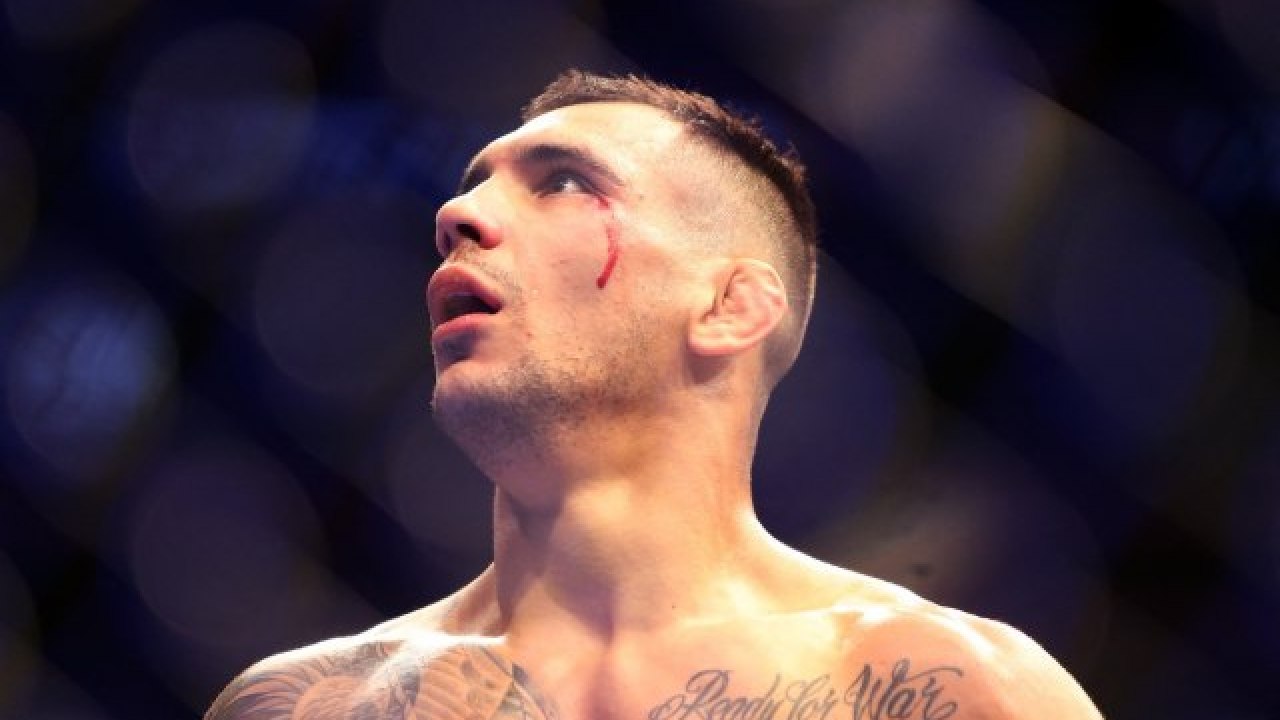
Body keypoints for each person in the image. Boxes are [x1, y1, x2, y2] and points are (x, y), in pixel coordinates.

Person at [204, 70, 1103, 720]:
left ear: (728, 306)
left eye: (563, 182)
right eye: (474, 186)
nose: (458, 215)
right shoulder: (310, 704)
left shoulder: (935, 685)